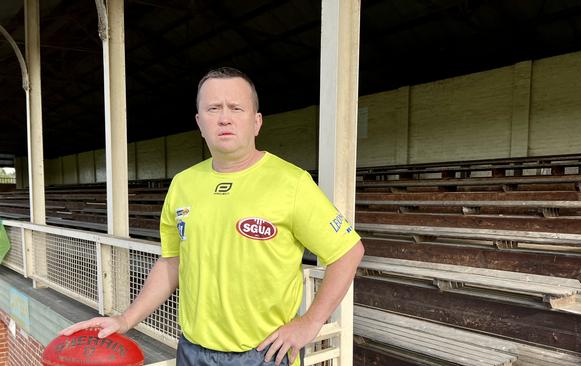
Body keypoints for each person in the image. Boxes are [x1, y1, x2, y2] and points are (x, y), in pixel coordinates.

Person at [61, 67, 365, 366]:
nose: (224, 117)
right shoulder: (183, 184)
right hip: (192, 351)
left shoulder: (292, 182)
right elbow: (171, 262)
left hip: (263, 354)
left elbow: (348, 251)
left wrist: (310, 322)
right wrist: (125, 319)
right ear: (199, 122)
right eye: (213, 108)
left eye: (236, 107)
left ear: (256, 122)